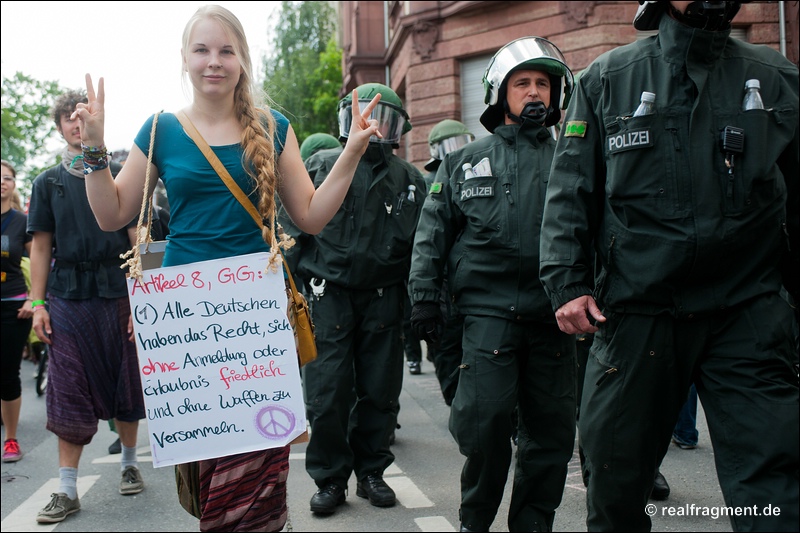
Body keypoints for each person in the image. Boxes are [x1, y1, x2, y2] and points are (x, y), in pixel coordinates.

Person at [78, 6, 381, 531]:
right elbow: (111, 213)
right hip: (187, 327)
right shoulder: (160, 129)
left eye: (225, 50)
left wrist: (352, 150)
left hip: (254, 322)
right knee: (213, 480)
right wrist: (93, 149)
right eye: (202, 50)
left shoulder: (272, 127)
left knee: (258, 476)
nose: (213, 62)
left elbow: (309, 216)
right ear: (184, 58)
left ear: (242, 60)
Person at [539, 1, 799, 531]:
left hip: (747, 312)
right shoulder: (608, 80)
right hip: (638, 314)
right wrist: (567, 283)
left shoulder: (777, 79)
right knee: (614, 480)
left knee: (773, 489)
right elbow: (571, 190)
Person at [408, 37, 577, 532]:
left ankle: (532, 524)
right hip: (487, 317)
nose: (533, 93)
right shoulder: (465, 161)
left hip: (554, 319)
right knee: (484, 428)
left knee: (550, 436)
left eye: (542, 84)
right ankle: (474, 521)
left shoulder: (571, 157)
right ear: (500, 94)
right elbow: (431, 233)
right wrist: (423, 299)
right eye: (522, 83)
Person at [279, 82, 426, 515]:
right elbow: (291, 230)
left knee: (380, 391)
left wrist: (424, 301)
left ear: (399, 127)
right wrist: (285, 293)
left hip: (384, 299)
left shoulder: (409, 179)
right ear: (346, 119)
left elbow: (423, 247)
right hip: (328, 297)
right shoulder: (322, 165)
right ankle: (329, 480)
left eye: (387, 118)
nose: (375, 124)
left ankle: (371, 473)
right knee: (326, 395)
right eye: (366, 114)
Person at [26, 87, 141, 525]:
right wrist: (38, 303)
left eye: (84, 116)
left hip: (118, 293)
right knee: (67, 390)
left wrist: (141, 301)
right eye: (70, 119)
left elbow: (136, 240)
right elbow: (40, 248)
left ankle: (130, 462)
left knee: (125, 382)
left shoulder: (120, 173)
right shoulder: (47, 182)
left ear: (96, 121)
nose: (77, 124)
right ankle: (67, 489)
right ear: (60, 126)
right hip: (67, 298)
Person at [420, 119, 474, 404]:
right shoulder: (427, 184)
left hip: (472, 281)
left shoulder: (478, 174)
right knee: (447, 353)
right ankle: (459, 408)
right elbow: (422, 241)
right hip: (441, 285)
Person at [1, 160, 33, 463]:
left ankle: (10, 439)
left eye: (6, 177)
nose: (1, 182)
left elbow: (40, 260)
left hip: (13, 307)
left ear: (13, 184)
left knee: (8, 374)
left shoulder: (21, 221)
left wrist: (33, 299)